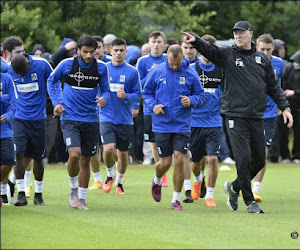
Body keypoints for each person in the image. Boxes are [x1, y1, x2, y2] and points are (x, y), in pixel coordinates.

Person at [181, 20, 293, 214]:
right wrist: (196, 41)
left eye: (242, 33)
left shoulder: (262, 59)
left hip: (256, 116)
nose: (238, 36)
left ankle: (234, 187)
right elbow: (210, 50)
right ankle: (250, 202)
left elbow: (273, 86)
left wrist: (285, 107)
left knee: (259, 160)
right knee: (243, 158)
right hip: (234, 115)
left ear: (251, 34)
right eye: (236, 33)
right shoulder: (227, 54)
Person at [47, 35, 110, 210]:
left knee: (85, 159)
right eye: (85, 52)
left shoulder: (102, 68)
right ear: (78, 50)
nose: (89, 56)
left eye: (92, 52)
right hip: (70, 117)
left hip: (90, 119)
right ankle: (73, 187)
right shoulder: (67, 64)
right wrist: (57, 102)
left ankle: (81, 199)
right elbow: (51, 81)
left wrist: (103, 99)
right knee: (74, 154)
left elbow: (106, 90)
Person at [144, 44, 204, 210]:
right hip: (162, 124)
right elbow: (147, 93)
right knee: (165, 163)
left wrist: (191, 100)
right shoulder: (157, 71)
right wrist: (153, 105)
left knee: (179, 159)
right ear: (167, 58)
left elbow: (200, 95)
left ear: (183, 58)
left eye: (178, 63)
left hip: (182, 124)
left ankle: (175, 200)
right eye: (172, 63)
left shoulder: (191, 73)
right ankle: (156, 180)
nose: (175, 66)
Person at [8, 52, 56, 206]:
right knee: (19, 153)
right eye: (19, 74)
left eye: (24, 73)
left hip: (38, 119)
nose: (22, 76)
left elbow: (54, 81)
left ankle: (38, 194)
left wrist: (58, 102)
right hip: (19, 119)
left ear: (28, 64)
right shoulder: (9, 69)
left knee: (38, 157)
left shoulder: (42, 65)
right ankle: (21, 194)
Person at [100, 38, 141, 194]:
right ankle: (110, 174)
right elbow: (97, 90)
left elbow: (138, 95)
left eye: (121, 50)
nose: (118, 53)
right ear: (110, 51)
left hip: (124, 119)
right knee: (109, 148)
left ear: (126, 52)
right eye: (115, 50)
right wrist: (99, 99)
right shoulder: (103, 69)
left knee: (122, 153)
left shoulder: (132, 71)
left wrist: (126, 97)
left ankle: (119, 182)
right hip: (106, 116)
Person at [187, 34, 223, 207]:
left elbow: (226, 93)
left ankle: (209, 195)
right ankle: (197, 179)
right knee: (195, 162)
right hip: (194, 122)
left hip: (214, 122)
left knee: (213, 159)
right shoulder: (192, 69)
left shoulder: (221, 70)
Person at [252, 33, 284, 202]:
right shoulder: (250, 62)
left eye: (268, 49)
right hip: (250, 113)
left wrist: (281, 104)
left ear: (273, 49)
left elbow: (279, 85)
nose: (265, 53)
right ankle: (242, 185)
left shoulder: (279, 64)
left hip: (269, 114)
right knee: (249, 153)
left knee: (262, 151)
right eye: (262, 49)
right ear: (256, 48)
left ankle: (256, 189)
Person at [136, 30, 168, 185]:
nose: (156, 45)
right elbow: (138, 84)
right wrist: (154, 74)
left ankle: (167, 164)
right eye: (153, 42)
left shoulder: (169, 59)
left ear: (165, 44)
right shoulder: (142, 62)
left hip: (167, 107)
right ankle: (160, 169)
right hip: (150, 107)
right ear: (149, 43)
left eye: (159, 42)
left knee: (167, 138)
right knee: (153, 141)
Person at [88, 35, 113, 190]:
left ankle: (114, 174)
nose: (95, 51)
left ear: (104, 47)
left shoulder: (111, 63)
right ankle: (97, 179)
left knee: (111, 147)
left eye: (98, 47)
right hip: (91, 110)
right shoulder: (85, 65)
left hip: (111, 112)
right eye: (92, 48)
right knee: (92, 145)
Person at [0, 65, 17, 206]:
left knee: (9, 160)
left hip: (4, 129)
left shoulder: (6, 79)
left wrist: (8, 115)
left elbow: (13, 104)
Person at [282, 50, 300, 163]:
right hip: (287, 105)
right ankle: (284, 156)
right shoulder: (289, 69)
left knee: (298, 133)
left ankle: (297, 155)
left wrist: (295, 92)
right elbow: (283, 83)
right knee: (283, 132)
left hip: (298, 106)